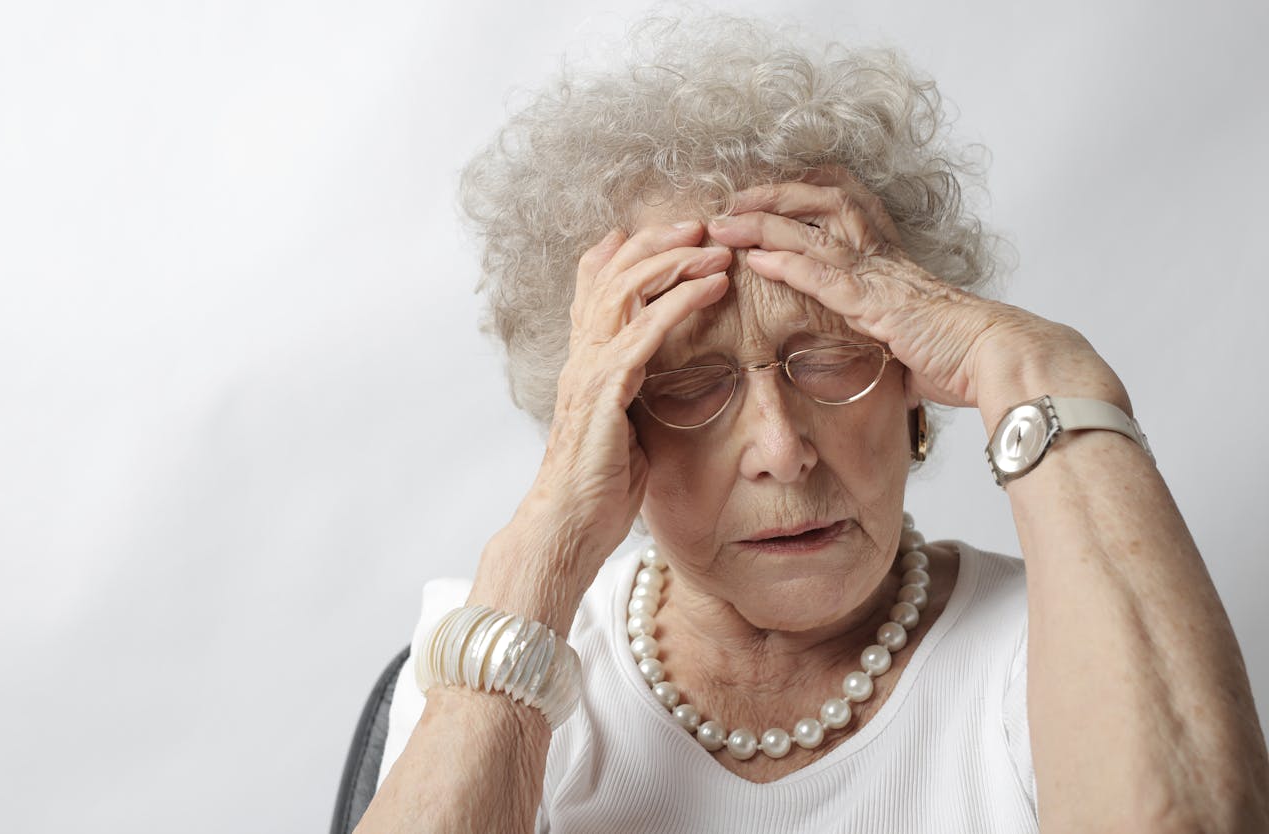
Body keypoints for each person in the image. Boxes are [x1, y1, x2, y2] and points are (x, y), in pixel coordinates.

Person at [356, 13, 1269, 833]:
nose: (783, 451)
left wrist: (1040, 367)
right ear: (611, 430)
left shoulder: (1059, 638)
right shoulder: (498, 652)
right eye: (690, 385)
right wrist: (543, 547)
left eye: (831, 360)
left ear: (915, 373)